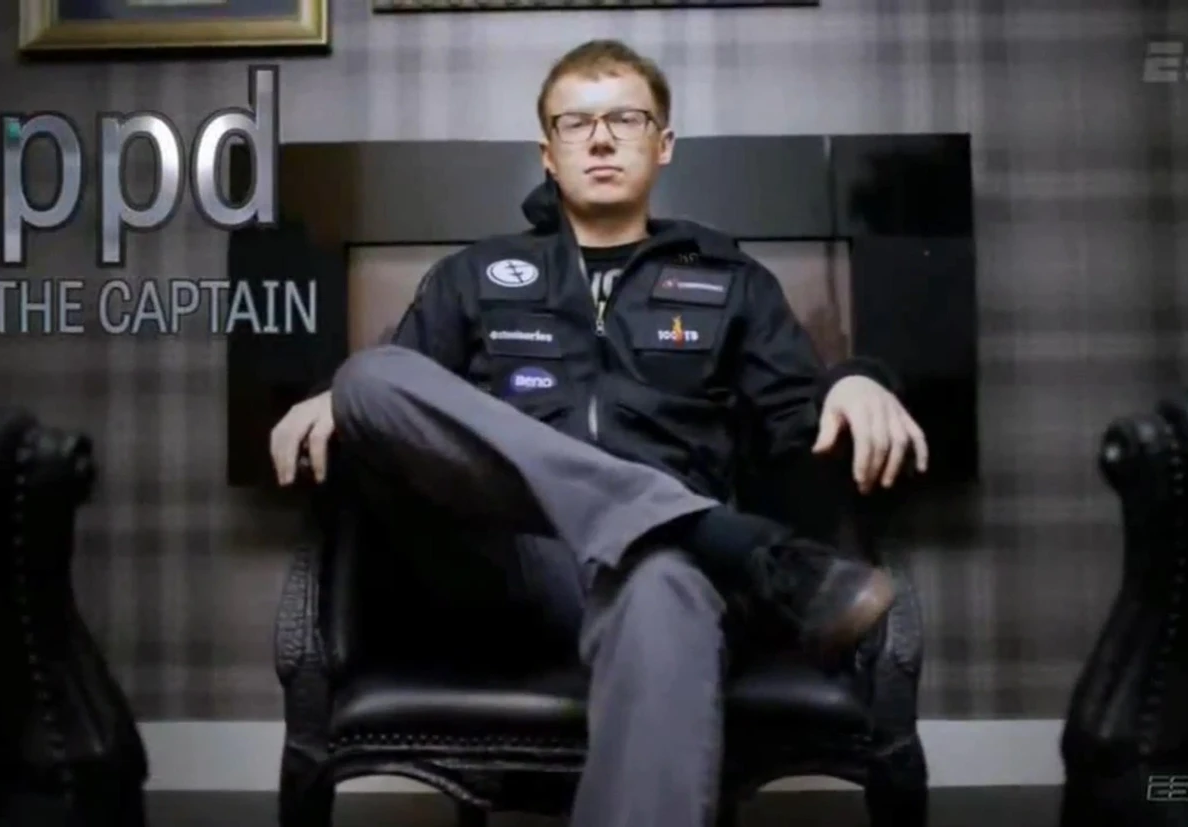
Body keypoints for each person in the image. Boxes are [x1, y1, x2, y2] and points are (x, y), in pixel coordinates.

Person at [269, 39, 929, 827]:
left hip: (663, 571)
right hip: (505, 563)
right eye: (576, 123)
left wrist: (857, 377)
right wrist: (338, 397)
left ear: (664, 142)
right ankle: (719, 536)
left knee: (664, 581)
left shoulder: (731, 280)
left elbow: (797, 425)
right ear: (547, 153)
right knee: (369, 378)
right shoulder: (473, 275)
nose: (602, 139)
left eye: (626, 119)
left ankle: (683, 534)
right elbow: (405, 413)